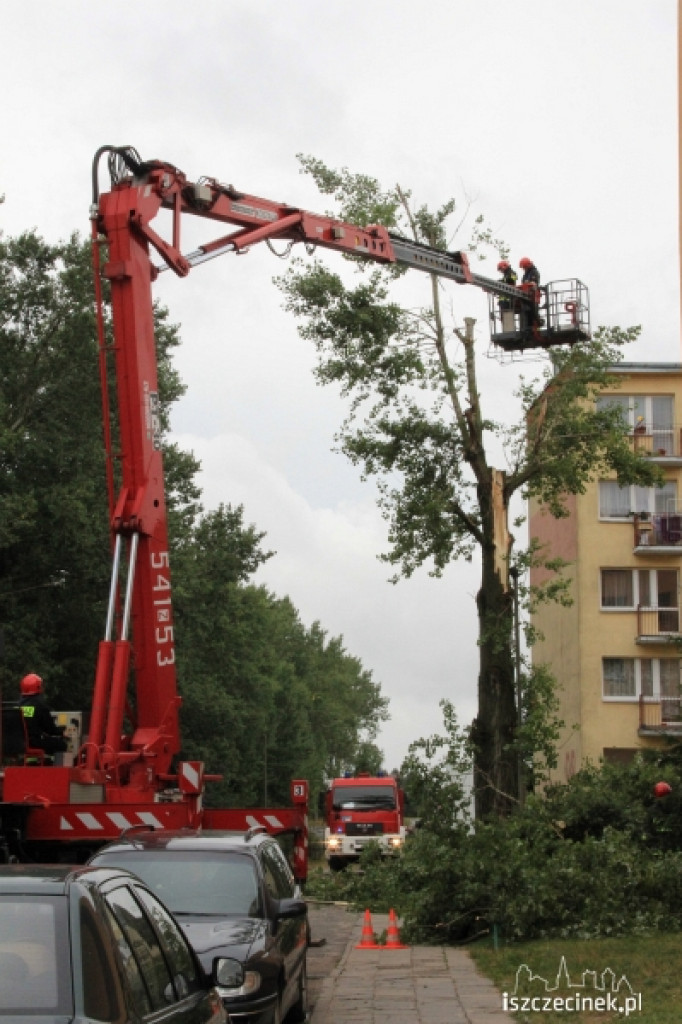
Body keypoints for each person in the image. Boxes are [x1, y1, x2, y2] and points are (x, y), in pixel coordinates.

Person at [18, 673, 67, 757]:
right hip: (34, 743)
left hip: (18, 743)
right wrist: (62, 732)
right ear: (38, 687)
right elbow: (50, 729)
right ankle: (51, 767)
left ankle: (31, 763)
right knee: (61, 744)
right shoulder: (40, 705)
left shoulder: (18, 705)